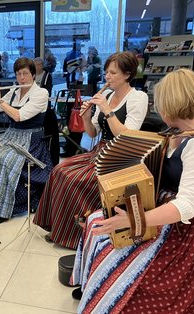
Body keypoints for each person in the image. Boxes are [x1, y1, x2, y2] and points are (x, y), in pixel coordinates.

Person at [71, 68, 194, 313]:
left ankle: (109, 291)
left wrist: (133, 219)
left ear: (170, 105)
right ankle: (95, 285)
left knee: (112, 248)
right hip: (169, 212)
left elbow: (187, 206)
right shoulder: (186, 130)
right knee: (96, 224)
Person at [34, 51, 148, 249]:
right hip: (100, 150)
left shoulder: (137, 97)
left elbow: (127, 136)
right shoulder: (107, 94)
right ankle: (59, 227)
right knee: (60, 170)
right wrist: (86, 116)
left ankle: (77, 234)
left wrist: (107, 110)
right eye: (106, 72)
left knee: (74, 179)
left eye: (113, 73)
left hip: (121, 156)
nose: (107, 77)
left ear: (127, 75)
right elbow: (92, 131)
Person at [0, 57, 53, 225]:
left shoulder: (41, 93)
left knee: (7, 161)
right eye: (18, 74)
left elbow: (18, 116)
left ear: (33, 74)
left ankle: (4, 209)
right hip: (11, 134)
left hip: (30, 138)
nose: (22, 78)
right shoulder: (15, 90)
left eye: (25, 73)